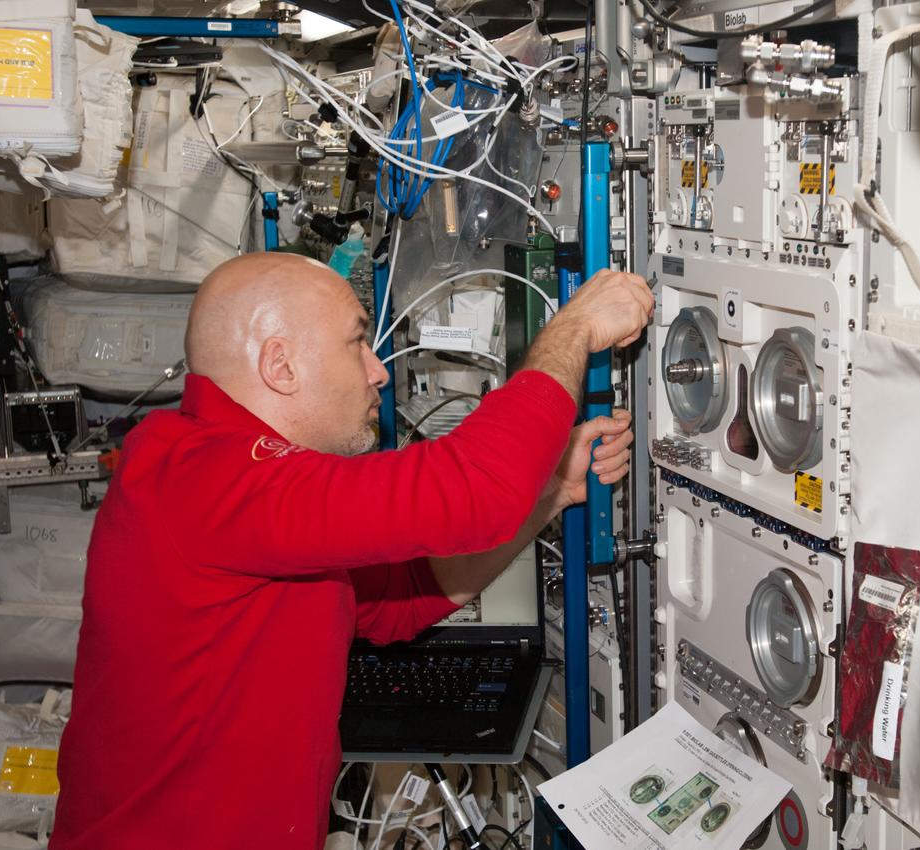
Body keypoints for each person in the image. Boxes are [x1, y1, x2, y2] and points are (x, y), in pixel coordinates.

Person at [51, 252, 655, 850]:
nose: (378, 371)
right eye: (356, 342)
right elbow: (476, 488)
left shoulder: (229, 484)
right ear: (281, 366)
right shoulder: (200, 475)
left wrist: (550, 493)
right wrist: (575, 327)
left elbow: (404, 599)